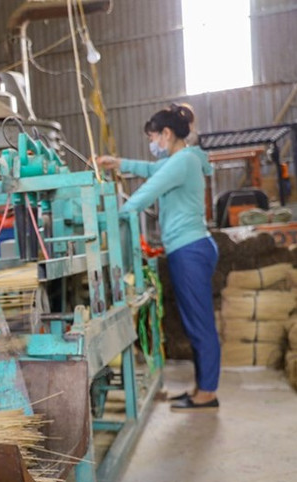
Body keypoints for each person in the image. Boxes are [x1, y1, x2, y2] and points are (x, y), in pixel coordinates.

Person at [97, 104, 220, 413]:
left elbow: (149, 189)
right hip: (189, 249)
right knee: (195, 322)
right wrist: (119, 163)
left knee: (200, 324)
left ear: (166, 134)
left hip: (190, 250)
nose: (152, 145)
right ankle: (202, 388)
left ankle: (207, 393)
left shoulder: (183, 162)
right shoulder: (182, 160)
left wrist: (113, 216)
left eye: (153, 138)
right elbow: (152, 171)